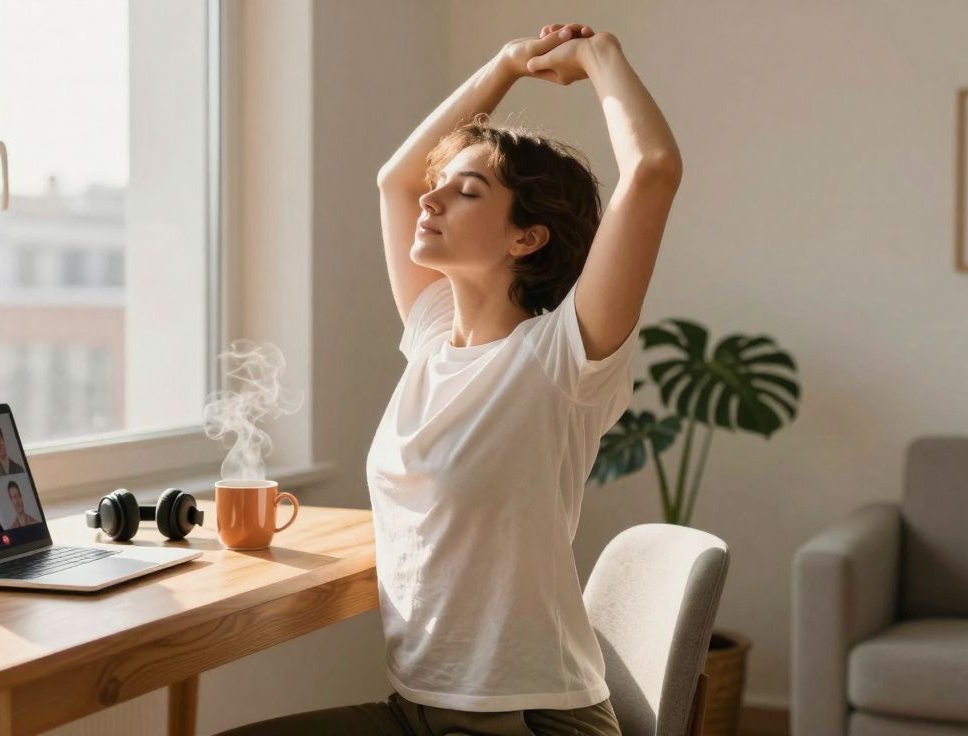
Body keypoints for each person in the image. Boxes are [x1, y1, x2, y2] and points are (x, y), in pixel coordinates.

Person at [219, 21, 679, 736]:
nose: (430, 201)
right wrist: (505, 65)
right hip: (415, 709)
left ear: (526, 238)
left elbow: (652, 168)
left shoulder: (561, 359)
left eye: (465, 192)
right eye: (442, 188)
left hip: (531, 719)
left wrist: (597, 56)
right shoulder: (432, 339)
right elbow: (395, 180)